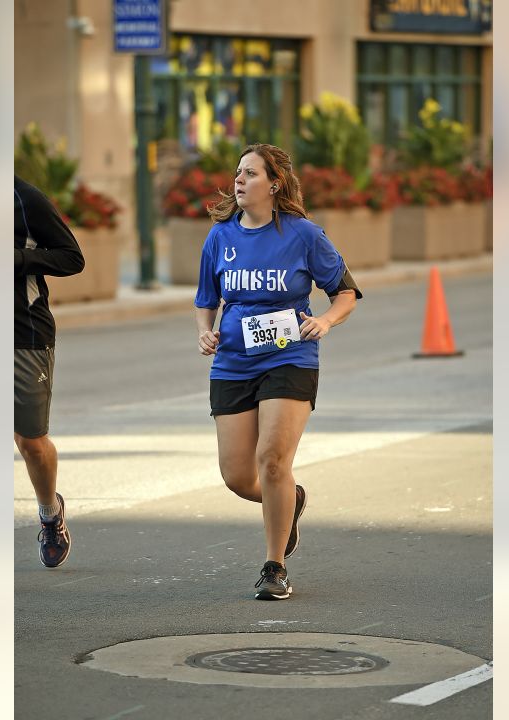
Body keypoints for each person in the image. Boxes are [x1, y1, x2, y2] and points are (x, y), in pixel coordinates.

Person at [194, 143, 362, 600]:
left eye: (250, 173)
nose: (239, 180)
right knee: (237, 476)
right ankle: (292, 500)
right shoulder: (220, 237)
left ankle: (274, 566)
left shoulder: (304, 235)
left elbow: (344, 293)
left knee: (272, 460)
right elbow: (206, 299)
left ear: (275, 183)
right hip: (232, 360)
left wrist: (325, 320)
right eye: (237, 172)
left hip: (289, 355)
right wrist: (206, 332)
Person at [15, 176, 85, 567]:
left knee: (31, 443)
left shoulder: (24, 200)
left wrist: (20, 258)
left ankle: (49, 514)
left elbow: (72, 257)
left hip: (22, 334)